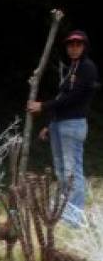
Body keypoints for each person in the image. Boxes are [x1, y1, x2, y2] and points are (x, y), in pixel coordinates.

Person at [28, 30, 98, 224]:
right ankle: (63, 211)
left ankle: (74, 216)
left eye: (78, 44)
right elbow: (62, 98)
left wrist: (43, 106)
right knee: (60, 169)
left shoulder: (87, 68)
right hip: (60, 125)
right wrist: (50, 125)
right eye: (70, 45)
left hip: (74, 125)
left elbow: (74, 98)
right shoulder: (71, 68)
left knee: (72, 170)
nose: (74, 48)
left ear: (84, 47)